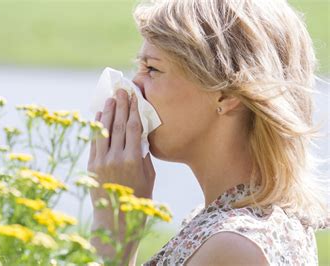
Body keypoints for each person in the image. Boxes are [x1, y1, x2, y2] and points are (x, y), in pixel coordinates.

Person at [87, 0, 330, 265]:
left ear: (225, 94)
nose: (133, 85)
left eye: (152, 69)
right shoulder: (231, 223)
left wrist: (114, 227)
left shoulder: (235, 247)